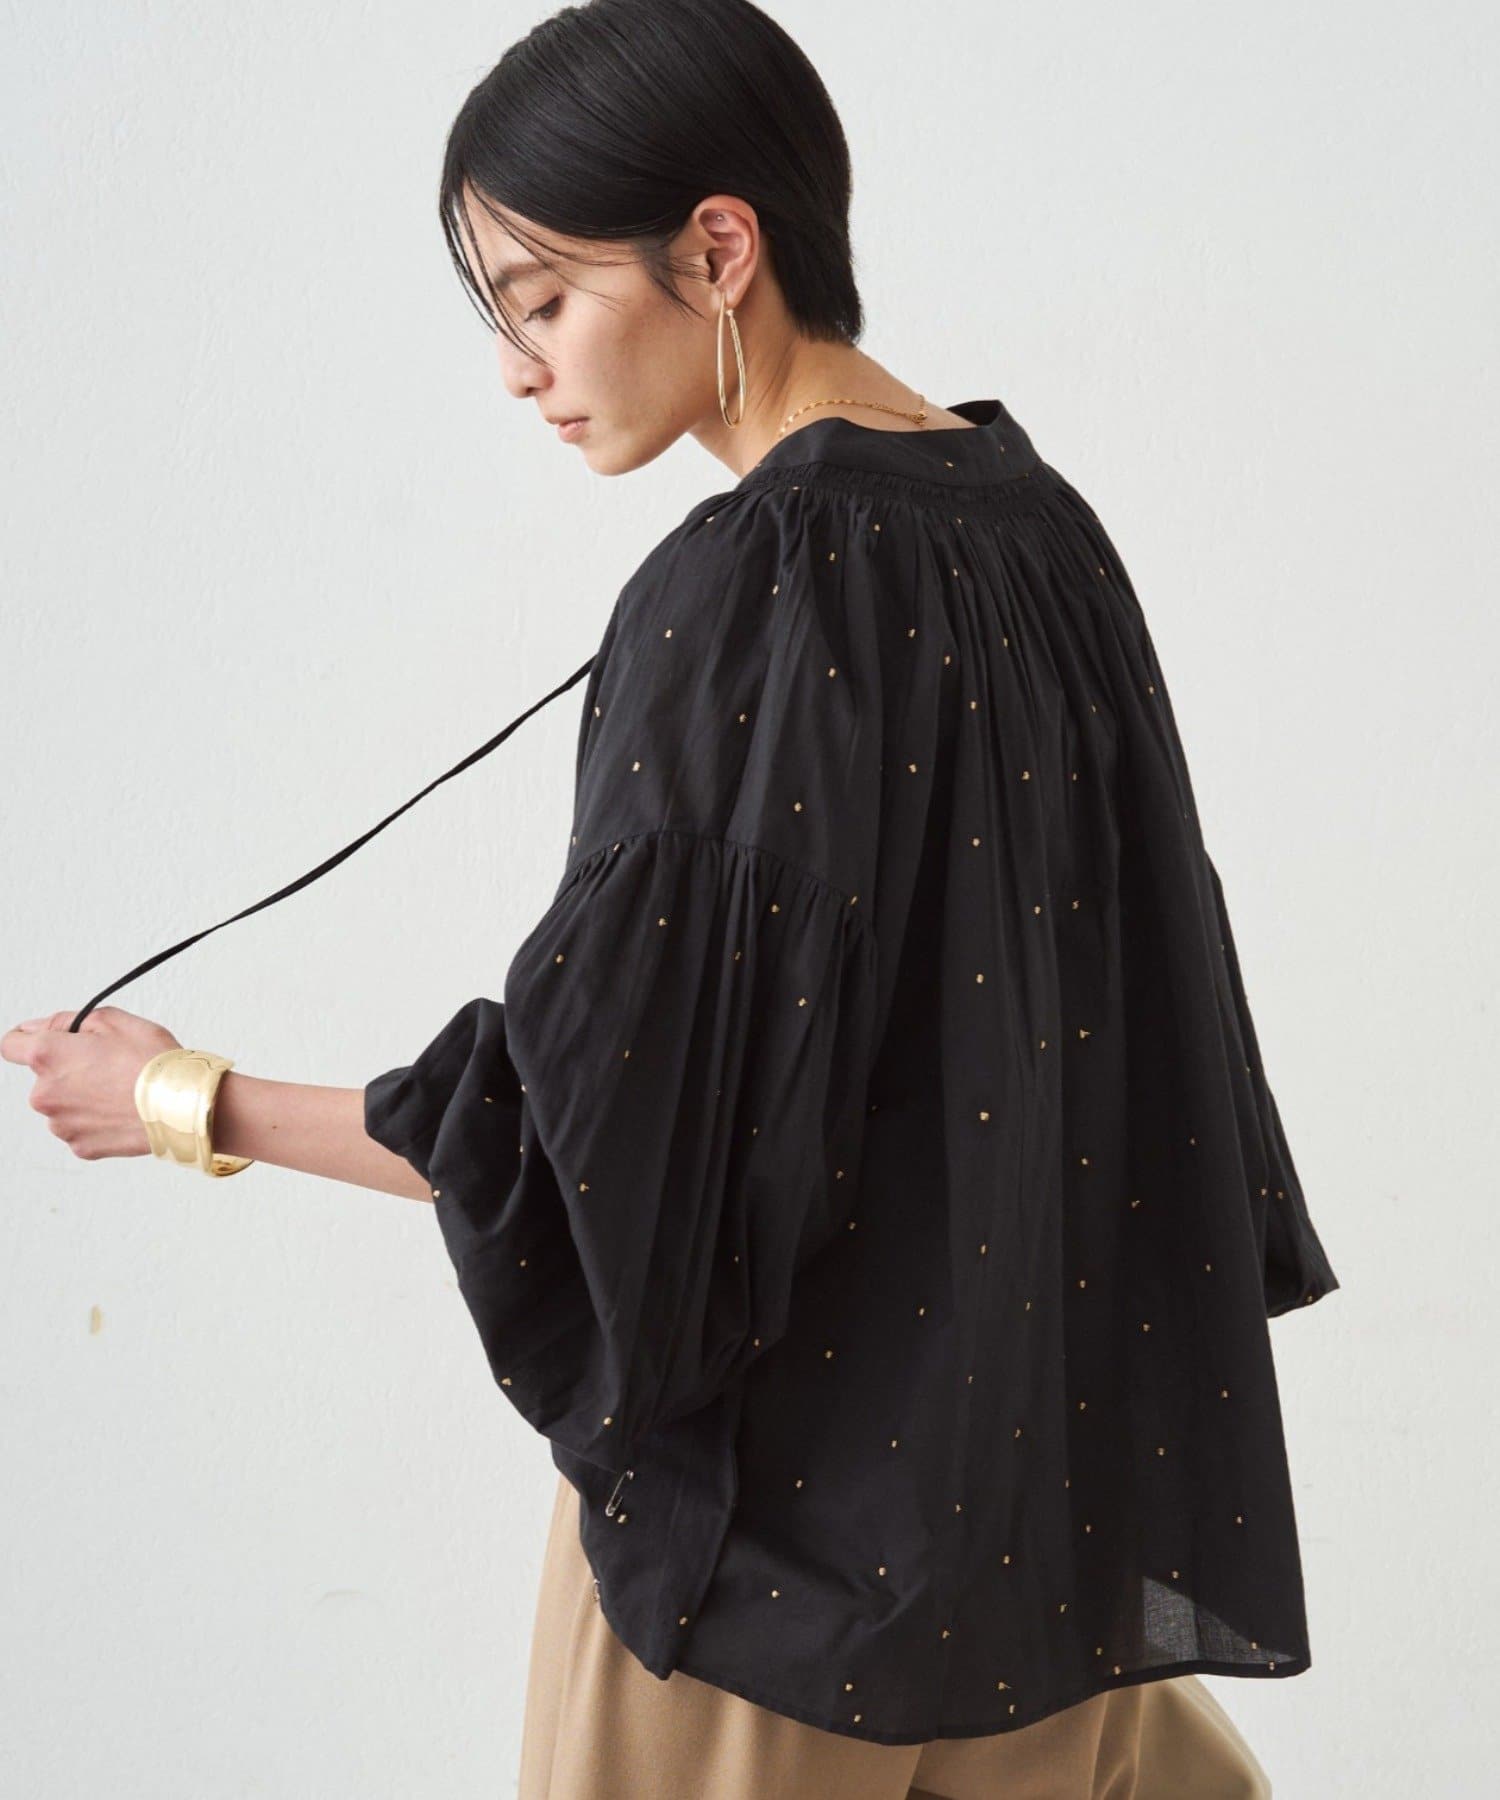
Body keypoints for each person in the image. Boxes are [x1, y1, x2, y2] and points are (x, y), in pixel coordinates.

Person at [3, 1, 1338, 1793]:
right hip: (1051, 1570)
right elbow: (1149, 1070)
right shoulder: (1047, 534)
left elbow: (596, 1145)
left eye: (543, 300)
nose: (518, 371)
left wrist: (181, 1100)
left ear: (718, 250)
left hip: (768, 1596)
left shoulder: (752, 584)